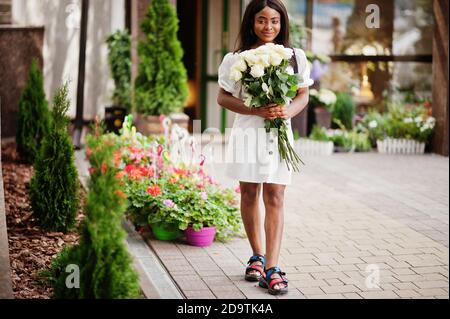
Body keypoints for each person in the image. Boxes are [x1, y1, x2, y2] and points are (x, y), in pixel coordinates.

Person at [216, 0, 314, 295]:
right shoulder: (235, 58)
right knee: (249, 193)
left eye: (274, 21)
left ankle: (272, 268)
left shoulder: (295, 56)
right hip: (248, 132)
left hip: (278, 132)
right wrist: (254, 109)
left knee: (276, 195)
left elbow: (302, 95)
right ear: (251, 22)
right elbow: (223, 97)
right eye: (261, 20)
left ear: (282, 23)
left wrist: (289, 111)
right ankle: (256, 254)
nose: (268, 27)